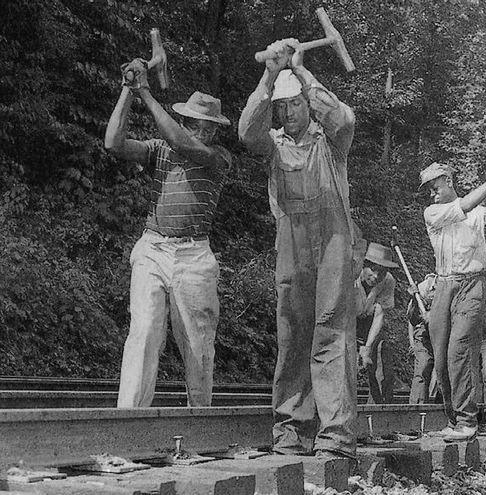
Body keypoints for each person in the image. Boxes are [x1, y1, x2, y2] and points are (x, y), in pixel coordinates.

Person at [239, 39, 358, 459]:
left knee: (331, 331)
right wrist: (270, 73)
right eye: (282, 107)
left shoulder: (333, 141)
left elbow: (341, 117)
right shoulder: (273, 143)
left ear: (307, 104)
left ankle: (336, 434)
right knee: (292, 334)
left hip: (332, 242)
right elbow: (245, 132)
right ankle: (291, 429)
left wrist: (302, 71)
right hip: (291, 242)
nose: (288, 113)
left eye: (295, 105)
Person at [105, 58, 233, 408]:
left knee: (197, 344)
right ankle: (129, 420)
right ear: (184, 121)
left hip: (195, 256)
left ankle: (198, 419)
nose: (203, 134)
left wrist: (145, 92)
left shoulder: (217, 157)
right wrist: (127, 90)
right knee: (143, 332)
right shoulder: (159, 149)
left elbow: (185, 145)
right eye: (197, 126)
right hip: (152, 248)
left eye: (209, 128)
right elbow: (113, 144)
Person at [418, 158, 486, 442]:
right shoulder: (433, 212)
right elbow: (463, 207)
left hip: (472, 286)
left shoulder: (480, 213)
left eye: (433, 186)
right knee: (440, 357)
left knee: (458, 351)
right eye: (428, 189)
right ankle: (454, 418)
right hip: (443, 285)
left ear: (448, 181)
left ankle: (467, 420)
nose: (431, 193)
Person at [355, 242, 398, 404]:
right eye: (373, 270)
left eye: (382, 272)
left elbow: (379, 314)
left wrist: (367, 347)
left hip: (370, 321)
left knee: (381, 350)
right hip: (347, 322)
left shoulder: (388, 281)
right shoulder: (350, 276)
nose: (376, 277)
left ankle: (380, 404)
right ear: (364, 265)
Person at [407, 276, 436, 404]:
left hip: (447, 332)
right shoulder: (425, 286)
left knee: (445, 373)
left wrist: (434, 315)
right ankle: (416, 408)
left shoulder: (458, 286)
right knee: (423, 367)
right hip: (425, 335)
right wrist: (414, 299)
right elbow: (412, 319)